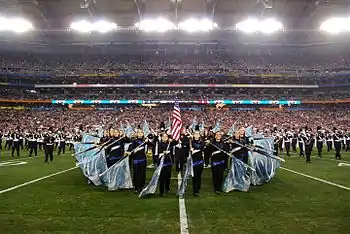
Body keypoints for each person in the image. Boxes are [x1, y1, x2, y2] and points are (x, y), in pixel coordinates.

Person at [128, 129, 148, 194]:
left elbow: (152, 145)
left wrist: (148, 141)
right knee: (136, 174)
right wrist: (129, 152)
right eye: (138, 132)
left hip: (143, 160)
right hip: (136, 160)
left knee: (142, 174)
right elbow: (131, 148)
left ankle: (141, 186)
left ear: (143, 134)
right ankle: (136, 187)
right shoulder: (134, 141)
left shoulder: (145, 141)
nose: (139, 133)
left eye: (141, 132)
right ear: (136, 134)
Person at [190, 131, 204, 197]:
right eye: (195, 134)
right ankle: (194, 191)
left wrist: (195, 149)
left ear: (199, 136)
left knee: (199, 176)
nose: (196, 135)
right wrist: (190, 149)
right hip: (193, 162)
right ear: (193, 135)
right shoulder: (191, 142)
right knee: (194, 177)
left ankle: (198, 188)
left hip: (200, 161)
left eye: (197, 134)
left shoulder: (201, 142)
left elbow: (201, 148)